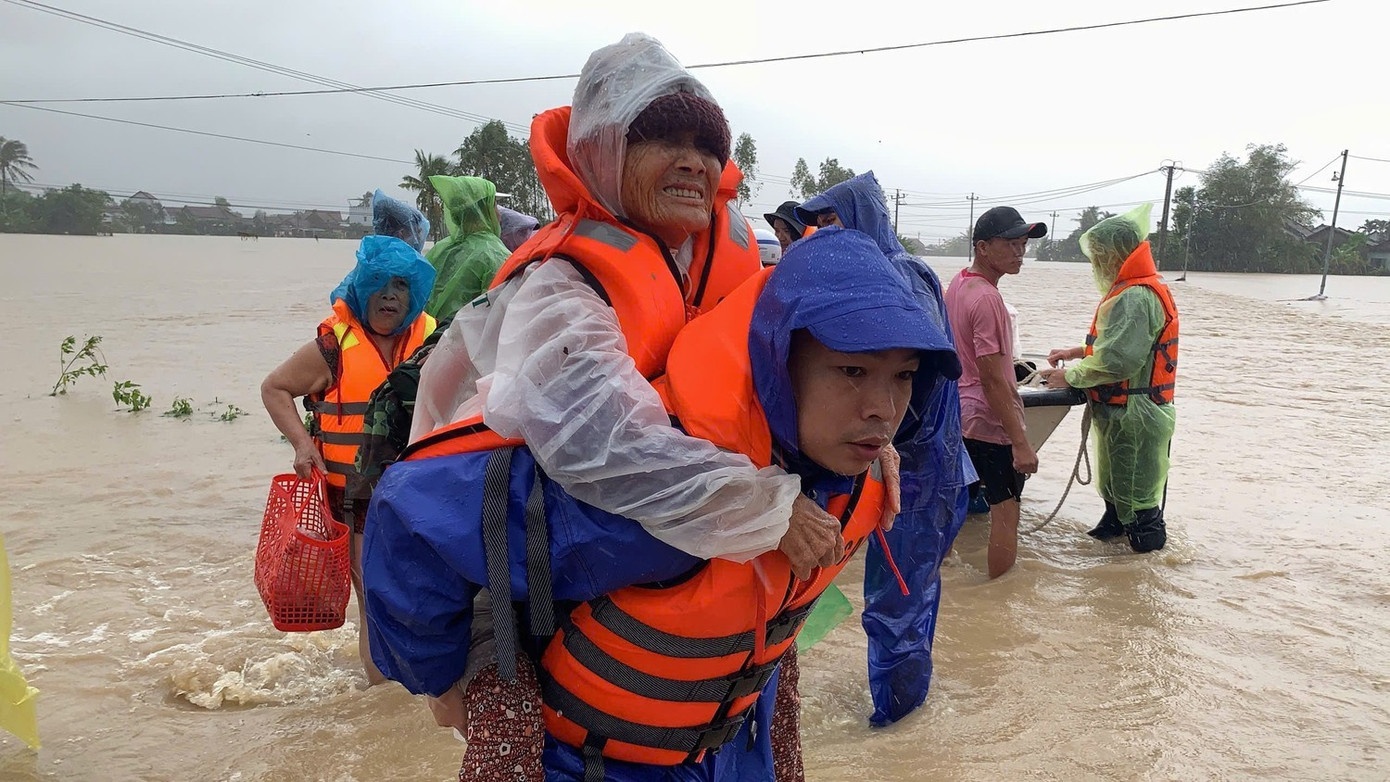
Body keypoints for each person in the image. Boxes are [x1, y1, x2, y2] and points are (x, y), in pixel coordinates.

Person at [368, 33, 873, 781]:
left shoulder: (721, 265)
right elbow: (599, 443)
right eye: (661, 139)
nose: (693, 161)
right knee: (506, 714)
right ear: (602, 151)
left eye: (706, 146)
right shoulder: (561, 288)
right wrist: (769, 508)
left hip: (709, 595)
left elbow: (804, 377)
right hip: (539, 568)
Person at [365, 228, 957, 781]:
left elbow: (769, 621)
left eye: (903, 376)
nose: (883, 407)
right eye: (853, 370)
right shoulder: (661, 492)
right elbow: (412, 518)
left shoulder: (859, 476)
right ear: (779, 365)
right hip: (585, 760)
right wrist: (450, 681)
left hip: (722, 749)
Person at [795, 170, 975, 728]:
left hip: (916, 473)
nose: (822, 235)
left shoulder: (895, 277)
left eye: (831, 221)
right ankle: (910, 711)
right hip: (931, 466)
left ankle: (894, 727)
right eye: (816, 225)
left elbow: (906, 393)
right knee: (912, 597)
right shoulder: (904, 272)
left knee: (896, 602)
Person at [260, 235, 437, 685]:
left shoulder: (431, 342)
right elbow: (274, 388)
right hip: (355, 500)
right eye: (380, 285)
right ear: (362, 291)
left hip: (420, 498)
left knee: (422, 600)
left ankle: (409, 703)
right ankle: (381, 702)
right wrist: (303, 444)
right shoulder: (331, 349)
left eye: (400, 286)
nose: (391, 295)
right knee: (375, 602)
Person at [1038, 204, 1177, 553]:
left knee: (1140, 504)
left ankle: (1146, 572)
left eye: (1099, 255)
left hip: (1136, 415)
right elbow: (1118, 347)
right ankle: (1112, 546)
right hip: (1121, 413)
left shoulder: (1136, 297)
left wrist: (1070, 376)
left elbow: (1118, 361)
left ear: (1116, 254)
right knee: (1117, 494)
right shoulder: (1133, 291)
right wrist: (1076, 352)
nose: (1096, 263)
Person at [945, 206, 1047, 578]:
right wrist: (1020, 442)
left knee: (955, 501)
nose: (1020, 253)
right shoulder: (989, 300)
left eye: (1023, 245)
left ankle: (945, 576)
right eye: (1012, 244)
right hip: (988, 419)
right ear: (983, 247)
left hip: (959, 413)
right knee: (1006, 510)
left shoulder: (958, 284)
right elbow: (994, 378)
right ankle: (998, 592)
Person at [422, 175, 512, 318]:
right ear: (484, 209)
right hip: (466, 338)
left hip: (427, 337)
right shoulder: (495, 254)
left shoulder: (440, 249)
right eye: (494, 204)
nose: (499, 213)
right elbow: (499, 313)